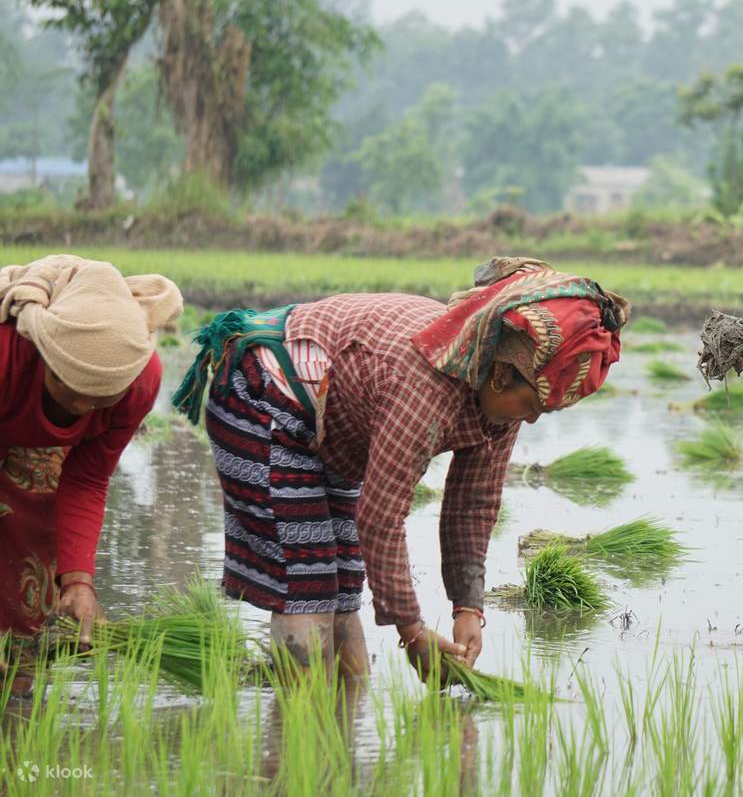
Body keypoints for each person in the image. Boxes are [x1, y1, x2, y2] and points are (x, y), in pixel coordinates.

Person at [173, 257, 628, 681]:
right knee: (307, 582)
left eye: (543, 412)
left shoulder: (501, 403)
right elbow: (380, 518)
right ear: (500, 375)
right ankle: (297, 741)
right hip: (265, 394)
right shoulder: (423, 385)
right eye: (531, 405)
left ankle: (346, 733)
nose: (529, 419)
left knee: (345, 584)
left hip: (333, 420)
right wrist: (412, 631)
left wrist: (467, 609)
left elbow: (473, 505)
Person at [0, 255, 182, 697]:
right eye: (69, 388)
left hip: (35, 446)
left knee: (33, 580)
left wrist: (78, 580)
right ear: (44, 354)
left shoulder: (139, 377)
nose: (83, 407)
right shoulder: (7, 354)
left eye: (100, 398)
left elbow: (85, 480)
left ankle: (19, 705)